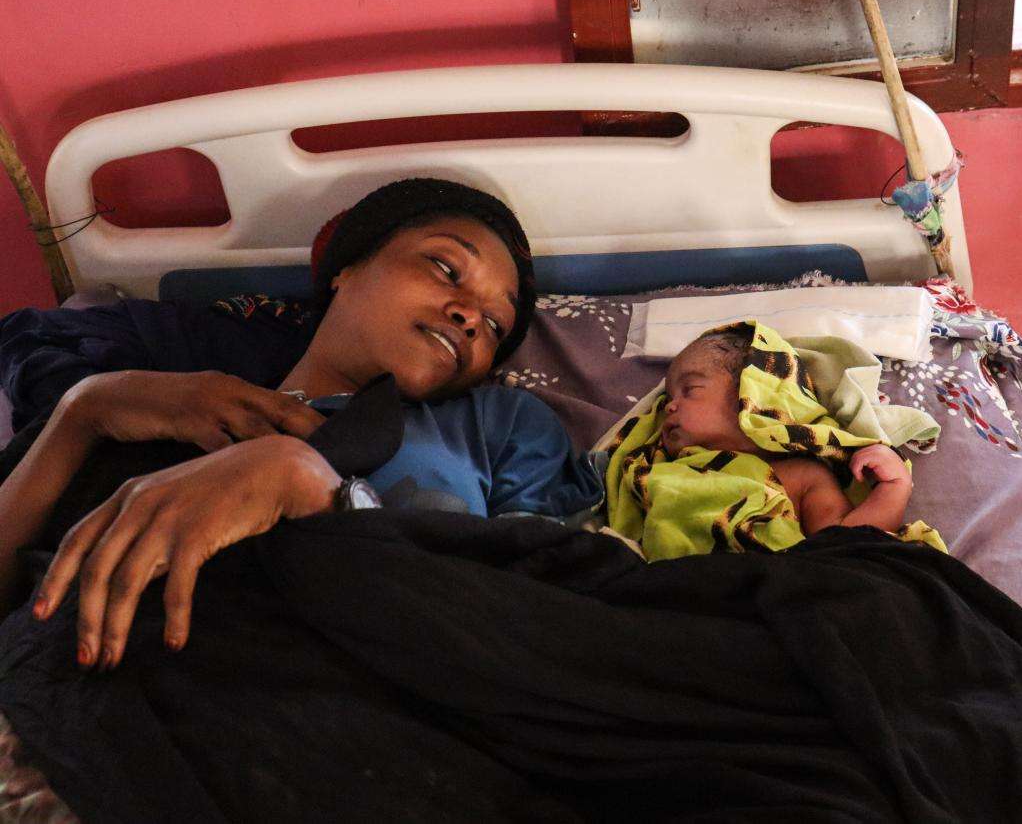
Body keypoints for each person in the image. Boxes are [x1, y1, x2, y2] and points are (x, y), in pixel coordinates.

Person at [0, 178, 601, 671]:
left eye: (496, 326)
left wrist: (323, 499)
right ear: (346, 268)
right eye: (447, 268)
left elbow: (536, 614)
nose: (472, 316)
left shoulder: (497, 424)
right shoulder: (175, 403)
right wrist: (86, 410)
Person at [604, 322, 941, 562]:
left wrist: (895, 486)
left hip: (772, 584)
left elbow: (844, 544)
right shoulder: (659, 469)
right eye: (667, 400)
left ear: (753, 395)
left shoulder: (800, 474)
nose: (670, 406)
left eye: (689, 390)